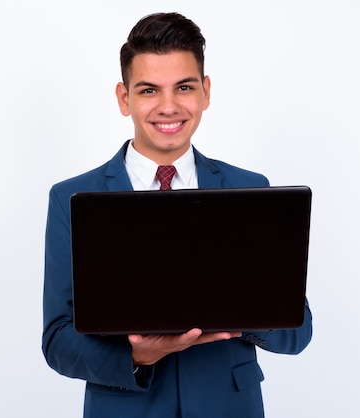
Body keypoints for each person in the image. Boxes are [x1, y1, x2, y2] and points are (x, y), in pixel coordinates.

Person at [42, 12, 312, 418]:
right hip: (127, 409)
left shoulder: (249, 188)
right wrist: (136, 355)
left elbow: (299, 331)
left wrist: (244, 315)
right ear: (124, 98)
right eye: (149, 90)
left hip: (229, 407)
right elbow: (58, 340)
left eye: (184, 87)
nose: (168, 107)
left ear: (204, 92)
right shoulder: (73, 198)